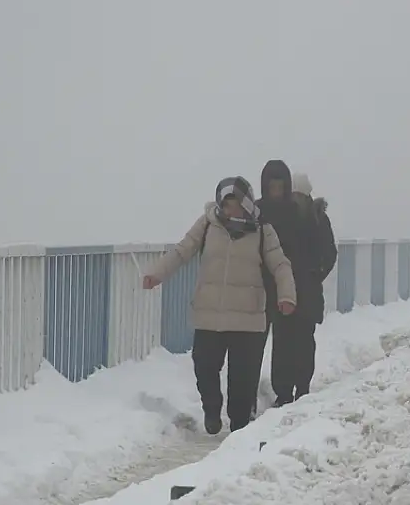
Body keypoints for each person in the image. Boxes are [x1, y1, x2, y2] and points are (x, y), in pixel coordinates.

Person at [142, 177, 297, 434]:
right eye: (225, 205)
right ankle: (211, 409)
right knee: (204, 365)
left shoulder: (262, 231)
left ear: (246, 204)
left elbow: (280, 265)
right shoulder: (207, 225)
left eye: (235, 204)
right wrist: (156, 274)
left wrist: (286, 296)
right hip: (209, 314)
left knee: (242, 378)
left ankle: (238, 428)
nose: (229, 210)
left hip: (247, 317)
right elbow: (182, 251)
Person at [255, 160, 337, 406]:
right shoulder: (300, 216)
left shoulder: (316, 218)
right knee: (290, 341)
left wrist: (313, 275)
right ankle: (291, 391)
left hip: (302, 290)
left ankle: (293, 391)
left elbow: (328, 253)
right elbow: (328, 254)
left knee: (294, 342)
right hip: (290, 290)